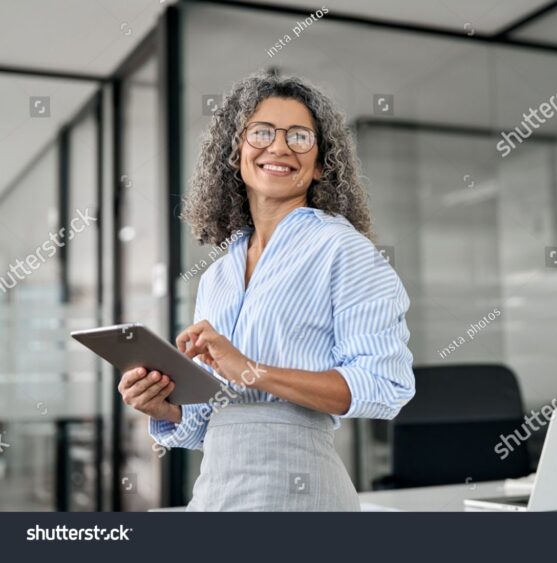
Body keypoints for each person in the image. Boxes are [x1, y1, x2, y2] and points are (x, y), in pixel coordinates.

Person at [117, 71, 415, 511]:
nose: (279, 147)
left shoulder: (342, 249)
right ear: (235, 152)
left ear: (321, 164)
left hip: (300, 494)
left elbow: (385, 385)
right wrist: (164, 406)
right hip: (217, 493)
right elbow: (209, 420)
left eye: (299, 137)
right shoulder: (218, 275)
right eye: (261, 132)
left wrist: (252, 370)